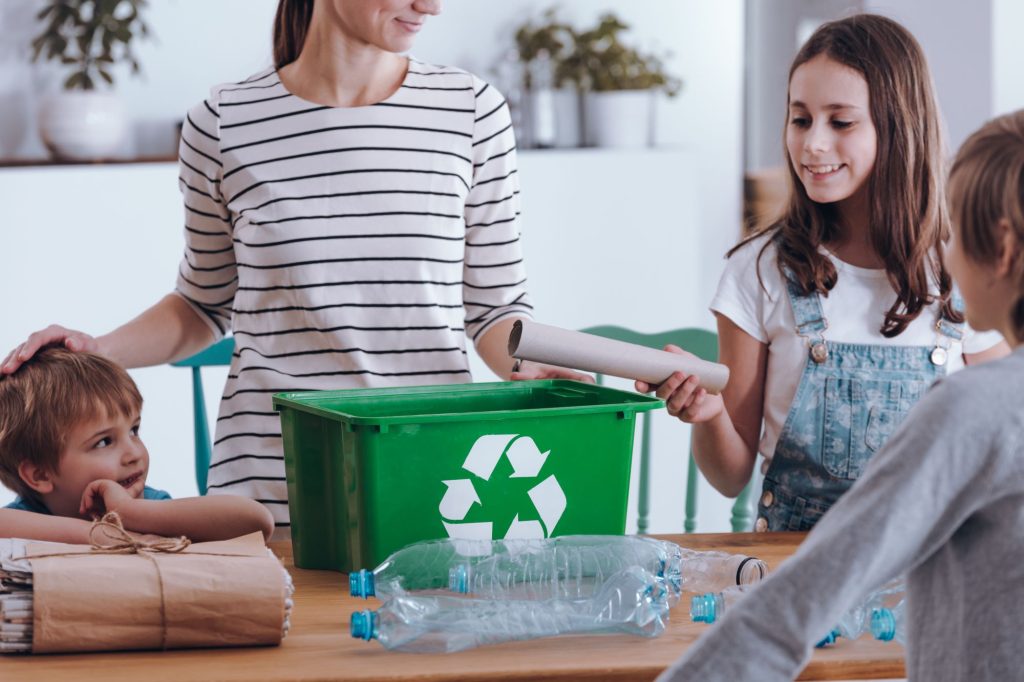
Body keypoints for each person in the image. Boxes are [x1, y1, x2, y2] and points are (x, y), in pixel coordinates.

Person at [0, 0, 583, 536]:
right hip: (266, 494)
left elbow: (495, 312)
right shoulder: (223, 121)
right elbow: (203, 304)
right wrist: (93, 352)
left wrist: (546, 370)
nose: (429, 5)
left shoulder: (470, 111)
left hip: (433, 477)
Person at [657, 108, 1024, 682]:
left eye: (960, 232)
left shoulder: (972, 407)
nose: (947, 254)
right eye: (799, 118)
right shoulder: (761, 269)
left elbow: (797, 604)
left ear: (1000, 250)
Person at [639, 14, 1007, 532]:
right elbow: (728, 475)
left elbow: (1005, 431)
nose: (812, 144)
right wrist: (707, 413)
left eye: (840, 121)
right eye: (800, 118)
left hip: (929, 573)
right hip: (796, 573)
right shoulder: (759, 271)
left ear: (899, 127)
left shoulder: (960, 271)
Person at [0, 347, 275, 543]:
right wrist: (104, 536)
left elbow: (256, 521)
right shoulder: (25, 519)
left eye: (134, 430)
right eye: (104, 441)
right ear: (40, 474)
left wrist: (131, 513)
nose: (133, 453)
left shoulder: (145, 507)